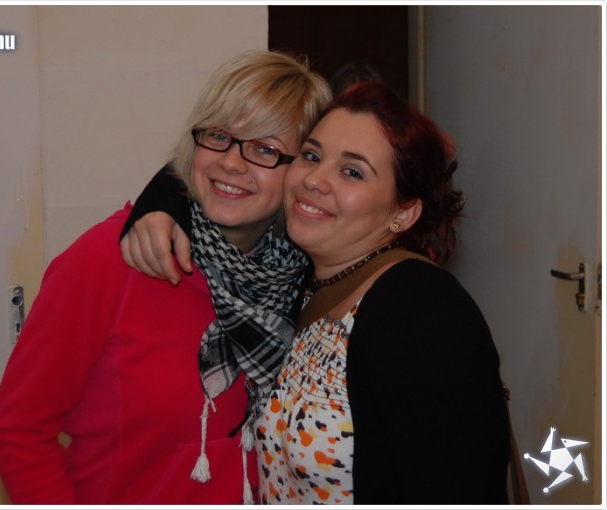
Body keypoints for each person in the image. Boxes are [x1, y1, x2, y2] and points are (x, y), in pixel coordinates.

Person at [119, 81, 511, 504]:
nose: (315, 180)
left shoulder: (421, 310)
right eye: (311, 156)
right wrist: (160, 204)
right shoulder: (296, 276)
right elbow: (221, 163)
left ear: (403, 212)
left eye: (352, 172)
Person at [0, 49, 332, 505]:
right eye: (219, 136)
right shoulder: (109, 260)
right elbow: (19, 431)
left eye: (264, 149)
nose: (232, 163)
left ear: (303, 171)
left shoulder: (306, 277)